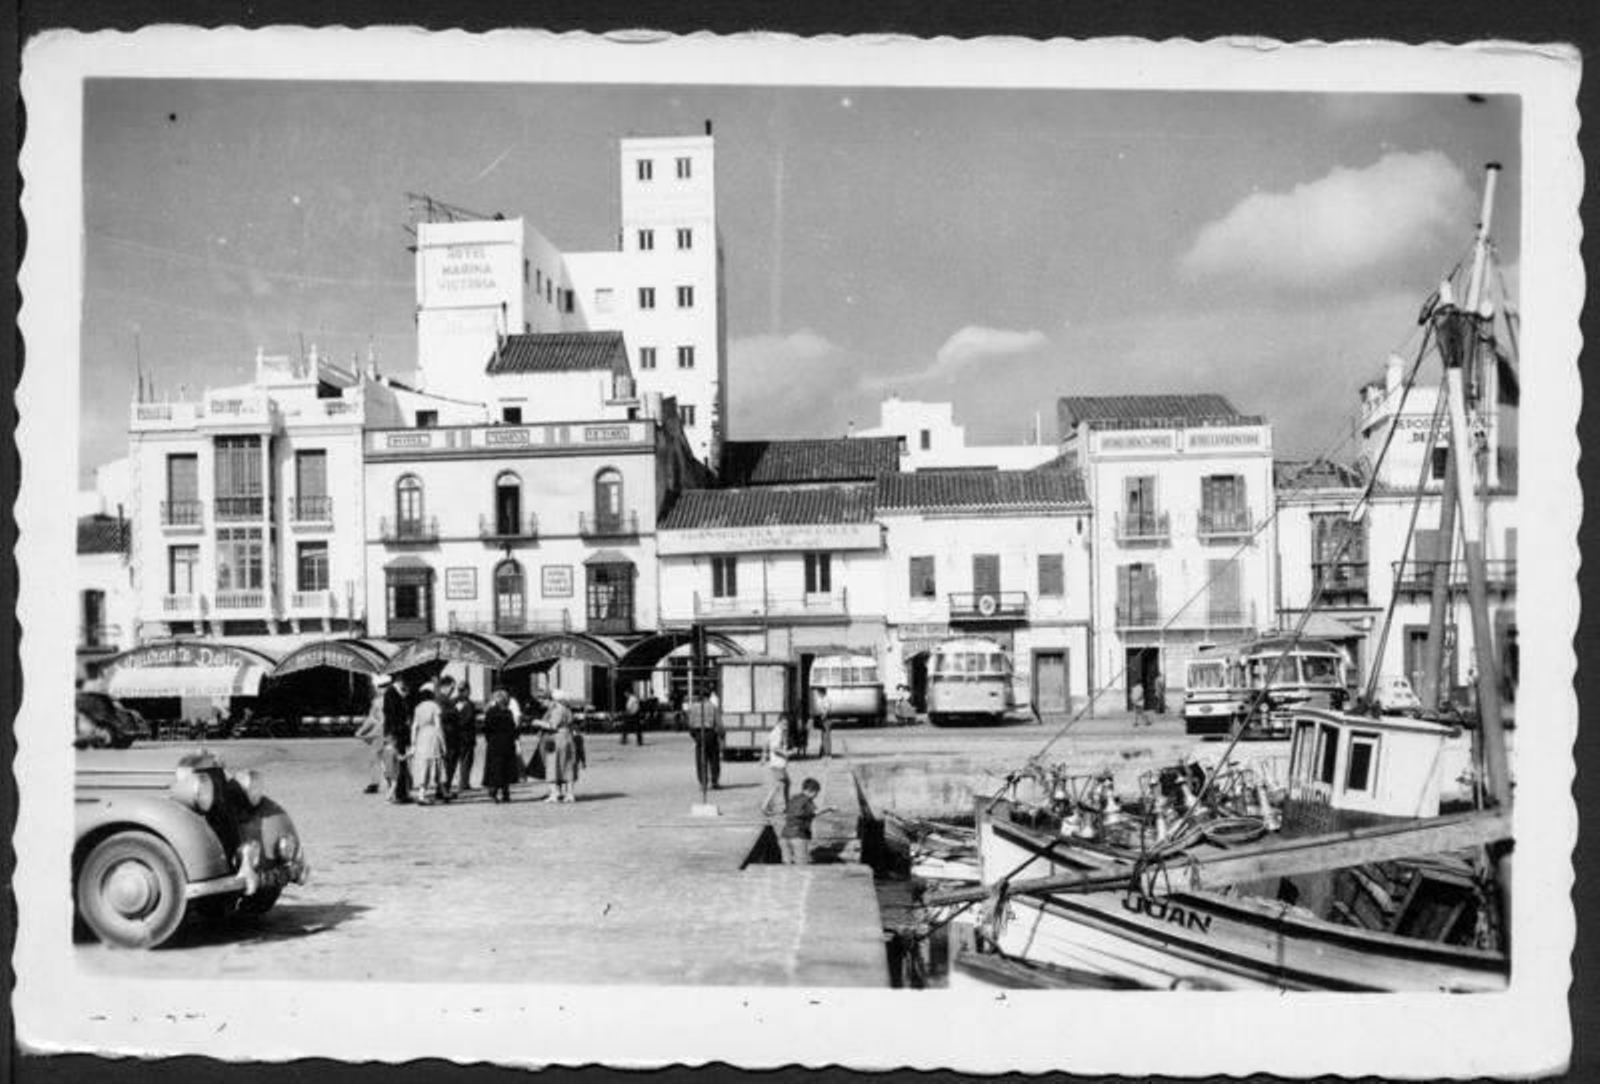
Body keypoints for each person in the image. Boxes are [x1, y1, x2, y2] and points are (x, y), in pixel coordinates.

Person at [780, 778, 836, 865]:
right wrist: (829, 808)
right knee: (801, 866)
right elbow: (815, 812)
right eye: (817, 793)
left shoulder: (794, 798)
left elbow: (785, 813)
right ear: (812, 791)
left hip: (784, 836)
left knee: (786, 864)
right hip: (798, 836)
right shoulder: (807, 801)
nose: (816, 795)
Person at [536, 692, 580, 803]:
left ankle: (554, 794)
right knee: (568, 765)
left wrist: (537, 722)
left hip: (555, 739)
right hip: (568, 738)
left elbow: (552, 725)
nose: (543, 705)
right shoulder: (566, 709)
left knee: (552, 764)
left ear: (549, 699)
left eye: (543, 702)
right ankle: (570, 794)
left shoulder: (557, 709)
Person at [480, 686, 521, 803]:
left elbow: (486, 728)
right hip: (507, 743)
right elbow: (513, 728)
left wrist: (489, 740)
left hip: (494, 743)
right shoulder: (508, 712)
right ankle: (505, 792)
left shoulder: (491, 712)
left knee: (494, 768)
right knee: (506, 768)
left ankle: (494, 791)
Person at [410, 682, 448, 805]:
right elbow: (439, 726)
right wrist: (443, 743)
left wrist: (413, 743)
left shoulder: (418, 707)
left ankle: (421, 794)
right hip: (432, 737)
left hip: (422, 737)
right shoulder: (435, 706)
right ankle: (443, 791)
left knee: (424, 766)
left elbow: (414, 726)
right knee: (438, 764)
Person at [381, 674, 414, 803]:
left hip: (397, 733)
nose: (407, 686)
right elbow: (392, 715)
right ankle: (398, 795)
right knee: (396, 765)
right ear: (400, 681)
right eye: (405, 683)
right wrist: (404, 724)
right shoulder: (391, 693)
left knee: (400, 765)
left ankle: (400, 793)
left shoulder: (399, 693)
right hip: (394, 734)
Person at [354, 676, 389, 795]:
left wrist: (365, 731)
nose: (381, 689)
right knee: (375, 758)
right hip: (380, 731)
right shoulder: (377, 701)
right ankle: (375, 783)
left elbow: (376, 719)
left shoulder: (390, 700)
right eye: (379, 687)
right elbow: (372, 718)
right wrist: (361, 730)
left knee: (386, 757)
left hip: (386, 730)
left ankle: (394, 782)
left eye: (383, 687)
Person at [687, 686, 723, 790]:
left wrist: (694, 736)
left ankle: (703, 783)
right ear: (708, 696)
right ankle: (714, 781)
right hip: (711, 734)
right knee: (714, 759)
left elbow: (690, 724)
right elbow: (719, 724)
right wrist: (721, 735)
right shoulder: (713, 707)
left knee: (700, 760)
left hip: (699, 734)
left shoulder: (693, 707)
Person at [437, 676, 463, 799]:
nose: (453, 690)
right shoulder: (440, 699)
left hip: (450, 735)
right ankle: (444, 790)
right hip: (448, 735)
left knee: (449, 764)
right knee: (448, 764)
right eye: (452, 687)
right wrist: (456, 711)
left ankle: (444, 789)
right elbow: (442, 715)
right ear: (446, 686)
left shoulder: (445, 699)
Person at [760, 717, 791, 818]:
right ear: (779, 723)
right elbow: (775, 748)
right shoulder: (778, 733)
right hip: (778, 764)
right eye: (784, 724)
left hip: (778, 764)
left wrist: (764, 756)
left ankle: (787, 806)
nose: (786, 726)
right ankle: (765, 806)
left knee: (787, 783)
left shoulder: (775, 731)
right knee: (777, 786)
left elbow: (766, 742)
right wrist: (786, 753)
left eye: (787, 724)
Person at [453, 682, 478, 792]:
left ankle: (461, 782)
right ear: (467, 690)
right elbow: (469, 720)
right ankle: (464, 783)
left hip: (455, 736)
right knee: (467, 760)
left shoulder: (452, 702)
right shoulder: (470, 704)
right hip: (467, 736)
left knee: (458, 760)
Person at [814, 687, 834, 759]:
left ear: (822, 692)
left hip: (826, 719)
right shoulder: (821, 699)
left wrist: (823, 717)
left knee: (826, 737)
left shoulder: (826, 699)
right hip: (822, 718)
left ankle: (828, 753)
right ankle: (823, 752)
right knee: (823, 736)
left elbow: (826, 710)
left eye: (819, 692)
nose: (818, 694)